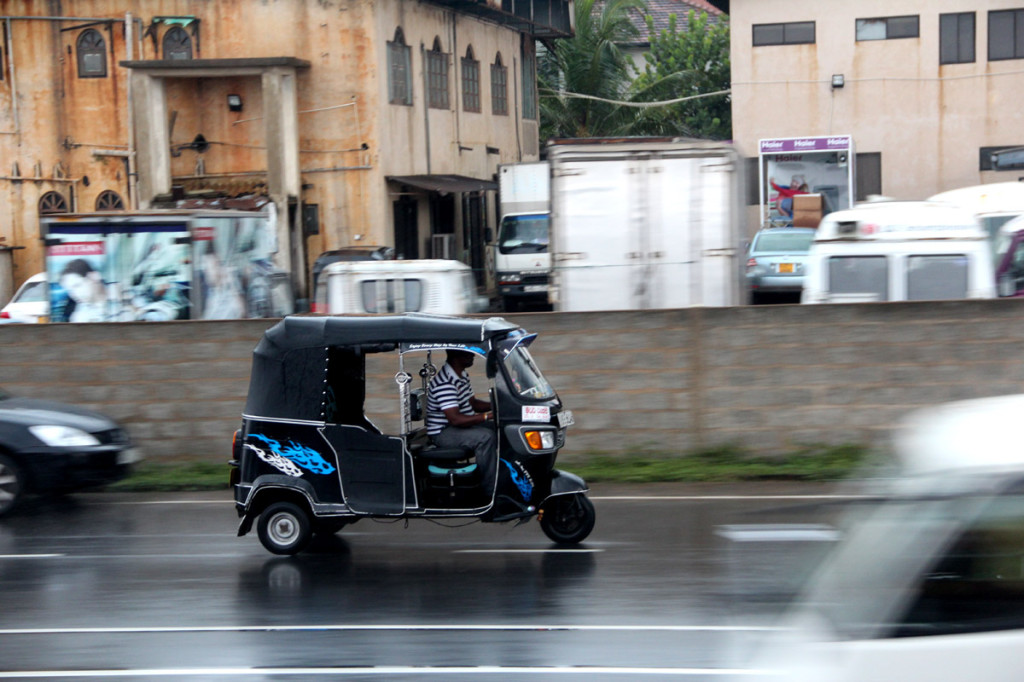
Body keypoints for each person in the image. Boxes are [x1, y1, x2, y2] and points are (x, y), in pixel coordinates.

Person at [425, 349, 496, 494]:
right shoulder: (445, 382)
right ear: (455, 356)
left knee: (501, 427)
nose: (473, 356)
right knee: (485, 437)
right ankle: (489, 490)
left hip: (457, 426)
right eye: (468, 353)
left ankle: (507, 476)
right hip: (443, 432)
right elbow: (455, 419)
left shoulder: (462, 375)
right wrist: (487, 416)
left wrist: (498, 404)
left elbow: (473, 404)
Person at [58, 258, 107, 322]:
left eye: (77, 286)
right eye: (70, 290)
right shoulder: (79, 317)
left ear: (94, 276)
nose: (73, 294)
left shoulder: (120, 294)